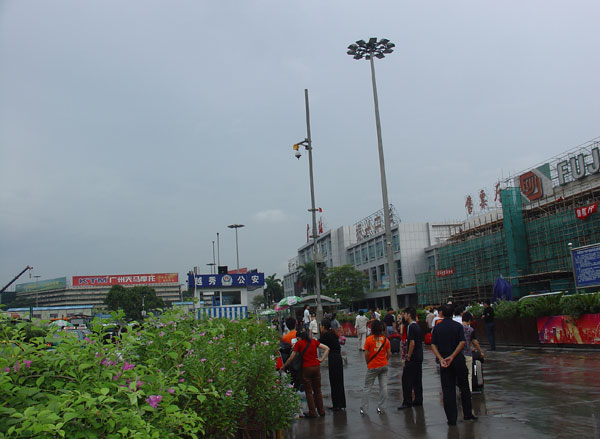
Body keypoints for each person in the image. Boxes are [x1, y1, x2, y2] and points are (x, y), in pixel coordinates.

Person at [431, 305, 476, 426]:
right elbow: (462, 342)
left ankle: (451, 419)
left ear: (441, 314)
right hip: (457, 359)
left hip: (444, 362)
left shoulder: (437, 328)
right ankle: (467, 413)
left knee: (448, 390)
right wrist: (453, 355)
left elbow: (433, 344)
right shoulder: (458, 326)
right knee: (464, 387)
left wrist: (441, 358)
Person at [283, 327, 330, 418]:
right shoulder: (313, 341)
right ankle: (321, 411)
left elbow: (291, 357)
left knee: (308, 391)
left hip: (306, 369)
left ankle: (312, 412)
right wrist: (321, 359)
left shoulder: (299, 344)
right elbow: (327, 348)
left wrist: (284, 366)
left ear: (299, 337)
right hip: (316, 367)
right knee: (318, 390)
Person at [360, 320, 391, 415]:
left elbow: (366, 354)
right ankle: (381, 408)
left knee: (367, 388)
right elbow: (389, 353)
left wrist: (368, 363)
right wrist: (385, 360)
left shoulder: (369, 339)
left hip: (373, 366)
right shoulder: (386, 340)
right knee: (384, 387)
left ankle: (364, 409)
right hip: (384, 365)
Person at [398, 307, 423, 409]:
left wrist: (408, 355)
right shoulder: (416, 326)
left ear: (408, 315)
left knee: (406, 380)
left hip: (413, 357)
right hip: (419, 356)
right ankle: (418, 399)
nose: (404, 316)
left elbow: (412, 343)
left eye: (405, 314)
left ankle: (407, 402)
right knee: (417, 379)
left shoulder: (411, 327)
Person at [318, 319, 346, 411]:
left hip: (334, 359)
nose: (320, 328)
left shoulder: (326, 335)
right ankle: (340, 403)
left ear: (323, 327)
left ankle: (336, 405)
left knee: (334, 382)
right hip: (337, 358)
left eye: (321, 326)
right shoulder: (331, 333)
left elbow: (317, 343)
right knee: (339, 381)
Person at [461, 312, 485, 392]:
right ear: (469, 320)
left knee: (460, 374)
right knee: (469, 374)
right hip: (467, 353)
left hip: (458, 354)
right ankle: (468, 392)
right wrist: (480, 352)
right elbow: (475, 342)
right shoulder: (470, 329)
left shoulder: (457, 328)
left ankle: (461, 390)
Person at [280, 317, 301, 390]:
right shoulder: (299, 335)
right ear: (295, 324)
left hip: (291, 363)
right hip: (301, 361)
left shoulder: (285, 338)